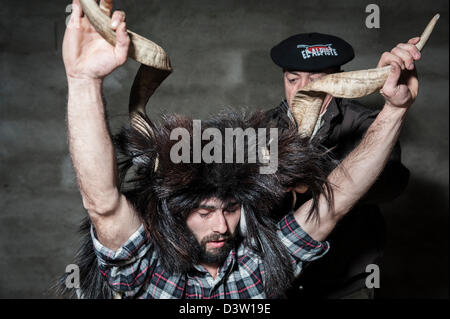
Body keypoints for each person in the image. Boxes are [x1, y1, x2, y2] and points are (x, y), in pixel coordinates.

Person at [58, 0, 421, 299]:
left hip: (343, 282)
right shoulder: (147, 270)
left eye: (231, 209)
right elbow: (104, 205)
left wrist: (394, 110)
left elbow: (338, 201)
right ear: (174, 209)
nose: (221, 226)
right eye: (203, 211)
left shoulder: (258, 268)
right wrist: (84, 81)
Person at [265, 33, 413, 298]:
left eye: (316, 80)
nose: (302, 89)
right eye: (292, 79)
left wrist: (311, 177)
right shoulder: (263, 126)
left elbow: (392, 182)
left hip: (346, 279)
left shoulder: (368, 123)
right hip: (280, 281)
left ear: (339, 78)